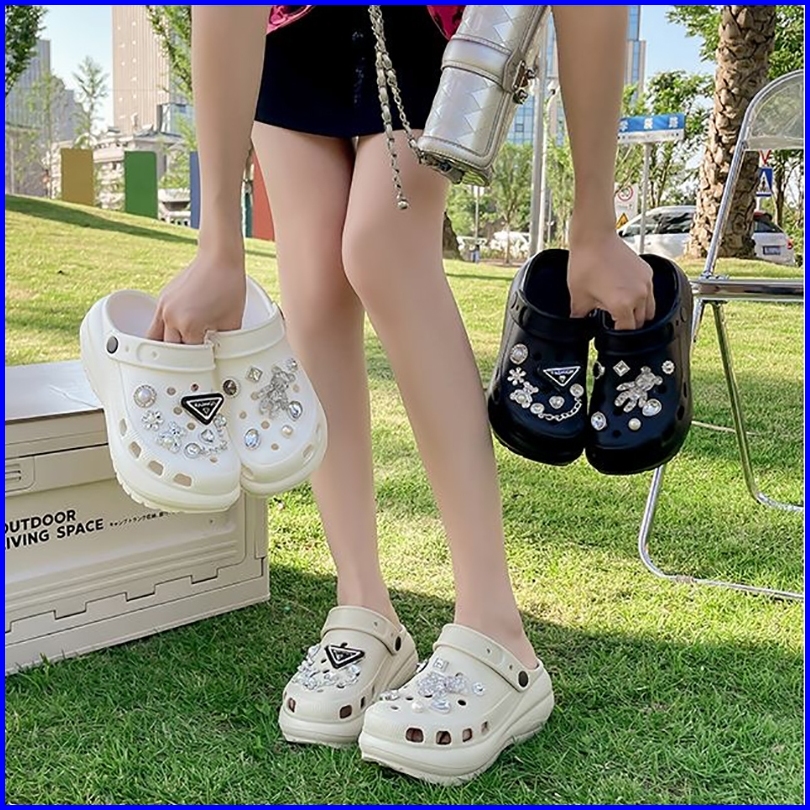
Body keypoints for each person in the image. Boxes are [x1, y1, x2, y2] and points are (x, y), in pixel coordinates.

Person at [147, 4, 655, 784]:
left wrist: (594, 222)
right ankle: (364, 608)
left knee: (382, 249)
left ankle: (497, 628)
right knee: (312, 282)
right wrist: (219, 243)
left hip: (426, 25)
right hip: (288, 31)